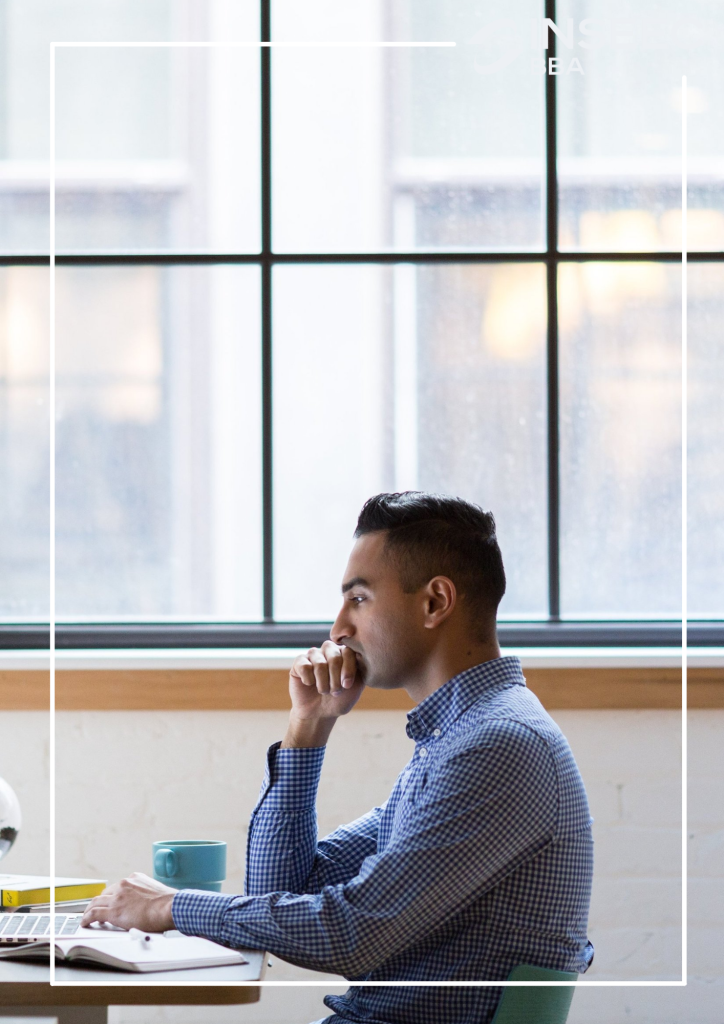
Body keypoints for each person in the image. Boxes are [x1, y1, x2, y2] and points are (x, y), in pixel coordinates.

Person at [82, 491, 594, 1024]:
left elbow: (352, 934)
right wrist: (309, 724)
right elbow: (281, 892)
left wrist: (170, 907)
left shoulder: (497, 747)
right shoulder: (455, 740)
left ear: (436, 602)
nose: (338, 629)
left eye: (360, 599)